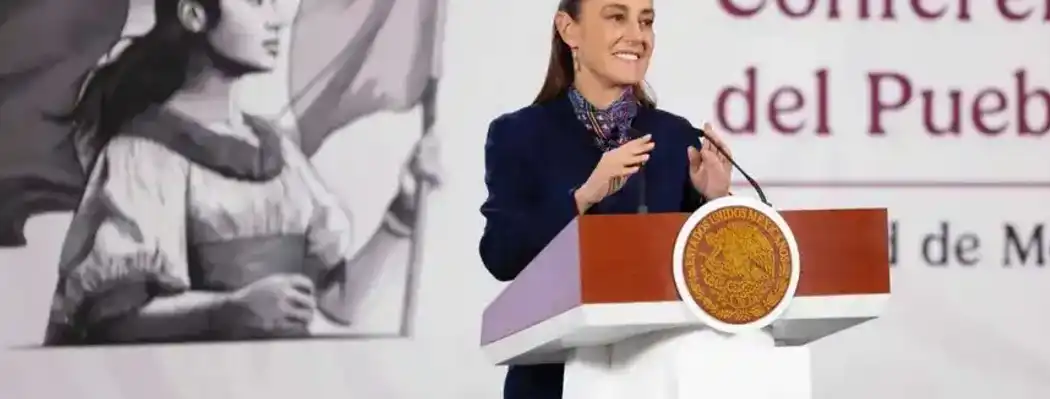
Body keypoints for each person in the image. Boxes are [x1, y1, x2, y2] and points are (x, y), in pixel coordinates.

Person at [38, 0, 426, 345]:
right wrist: (227, 311)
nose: (277, 20)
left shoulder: (280, 154)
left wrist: (403, 210)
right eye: (257, 2)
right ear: (194, 14)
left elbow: (339, 303)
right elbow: (110, 320)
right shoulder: (143, 154)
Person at [477, 0, 735, 397]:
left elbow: (711, 275)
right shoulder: (519, 134)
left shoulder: (675, 137)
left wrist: (714, 203)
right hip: (553, 382)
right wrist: (582, 198)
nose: (638, 35)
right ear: (569, 30)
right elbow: (501, 254)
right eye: (617, 17)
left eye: (646, 21)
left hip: (660, 376)